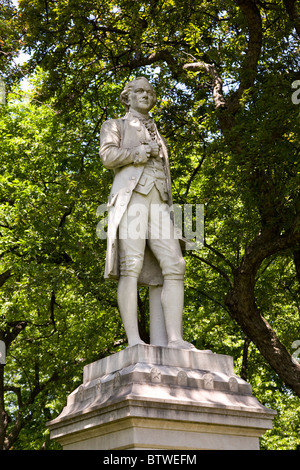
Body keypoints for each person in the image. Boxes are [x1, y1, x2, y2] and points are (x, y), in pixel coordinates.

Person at [99, 77, 196, 350]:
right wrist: (139, 152)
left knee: (175, 266)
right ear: (127, 96)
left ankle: (174, 340)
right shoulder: (114, 125)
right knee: (131, 267)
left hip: (159, 203)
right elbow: (108, 157)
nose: (145, 95)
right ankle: (134, 342)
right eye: (139, 91)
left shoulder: (157, 131)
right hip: (132, 200)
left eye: (150, 92)